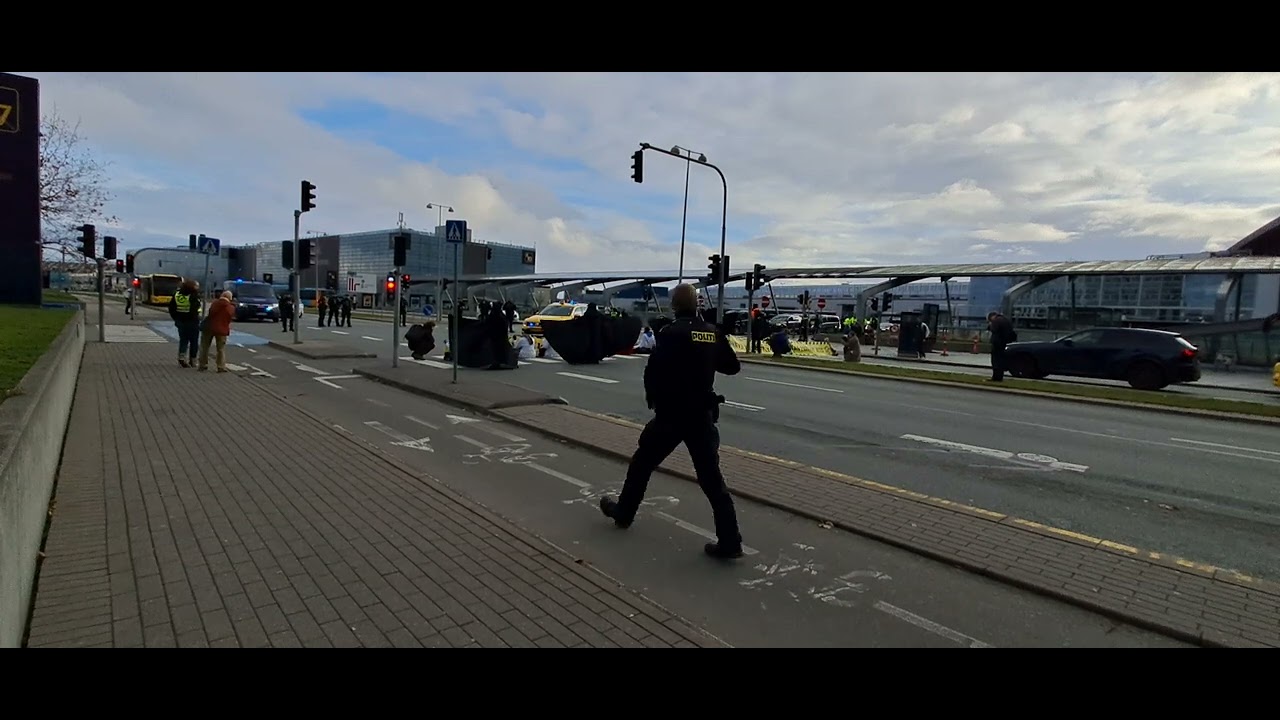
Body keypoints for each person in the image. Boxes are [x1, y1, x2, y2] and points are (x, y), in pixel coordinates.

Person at [599, 283, 745, 560]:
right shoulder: (712, 333)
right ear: (697, 305)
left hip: (671, 416)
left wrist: (653, 398)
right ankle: (730, 540)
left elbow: (654, 371)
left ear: (675, 307)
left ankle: (624, 513)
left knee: (642, 464)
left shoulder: (670, 333)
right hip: (701, 417)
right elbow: (732, 367)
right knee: (712, 480)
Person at [199, 290, 237, 372]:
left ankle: (203, 365)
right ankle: (221, 366)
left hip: (209, 327)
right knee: (220, 349)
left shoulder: (215, 303)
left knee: (204, 347)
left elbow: (210, 313)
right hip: (222, 329)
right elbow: (230, 318)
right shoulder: (230, 307)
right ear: (230, 298)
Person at [168, 279, 203, 368]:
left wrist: (176, 319)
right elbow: (195, 308)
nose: (197, 287)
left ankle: (182, 357)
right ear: (192, 287)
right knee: (194, 341)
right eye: (196, 286)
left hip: (181, 321)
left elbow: (171, 308)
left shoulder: (177, 295)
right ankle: (193, 360)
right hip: (192, 322)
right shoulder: (193, 295)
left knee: (183, 340)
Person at [986, 311, 1017, 382]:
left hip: (997, 343)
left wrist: (990, 325)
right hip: (1004, 343)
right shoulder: (1005, 320)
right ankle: (999, 377)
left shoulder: (996, 321)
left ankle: (996, 377)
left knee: (995, 361)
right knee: (1001, 361)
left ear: (992, 317)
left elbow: (994, 329)